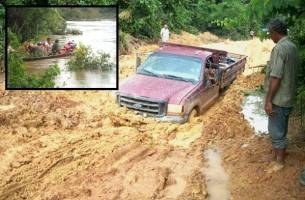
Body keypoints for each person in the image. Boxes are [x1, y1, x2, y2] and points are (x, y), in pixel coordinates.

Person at [263, 18, 298, 171]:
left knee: (276, 131)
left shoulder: (279, 48)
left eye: (271, 33)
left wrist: (269, 100)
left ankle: (279, 161)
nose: (270, 37)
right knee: (282, 128)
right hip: (289, 96)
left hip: (279, 98)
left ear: (276, 33)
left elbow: (276, 76)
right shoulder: (292, 47)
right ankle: (279, 154)